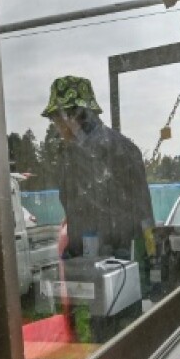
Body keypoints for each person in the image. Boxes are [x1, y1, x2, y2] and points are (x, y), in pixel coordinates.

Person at [42, 75, 155, 341]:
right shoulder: (70, 156)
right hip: (87, 272)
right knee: (94, 344)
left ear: (75, 116)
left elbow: (144, 219)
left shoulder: (119, 151)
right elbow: (73, 209)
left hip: (117, 271)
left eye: (57, 118)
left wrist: (150, 271)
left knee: (116, 343)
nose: (56, 126)